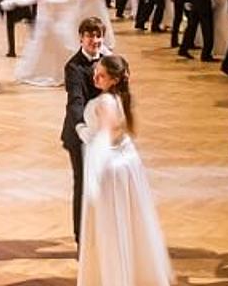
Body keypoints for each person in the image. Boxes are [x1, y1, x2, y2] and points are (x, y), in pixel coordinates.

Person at [76, 54, 173, 286]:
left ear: (114, 80)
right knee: (129, 223)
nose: (95, 77)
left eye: (101, 75)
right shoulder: (121, 97)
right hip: (125, 164)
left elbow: (105, 133)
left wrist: (82, 131)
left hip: (110, 170)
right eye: (96, 72)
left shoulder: (105, 102)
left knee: (110, 229)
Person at [60, 17, 108, 244]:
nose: (95, 40)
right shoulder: (73, 66)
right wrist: (81, 127)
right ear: (81, 38)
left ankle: (101, 232)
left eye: (98, 36)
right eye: (90, 36)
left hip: (104, 134)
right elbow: (75, 101)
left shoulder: (108, 61)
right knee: (82, 184)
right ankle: (81, 238)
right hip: (79, 135)